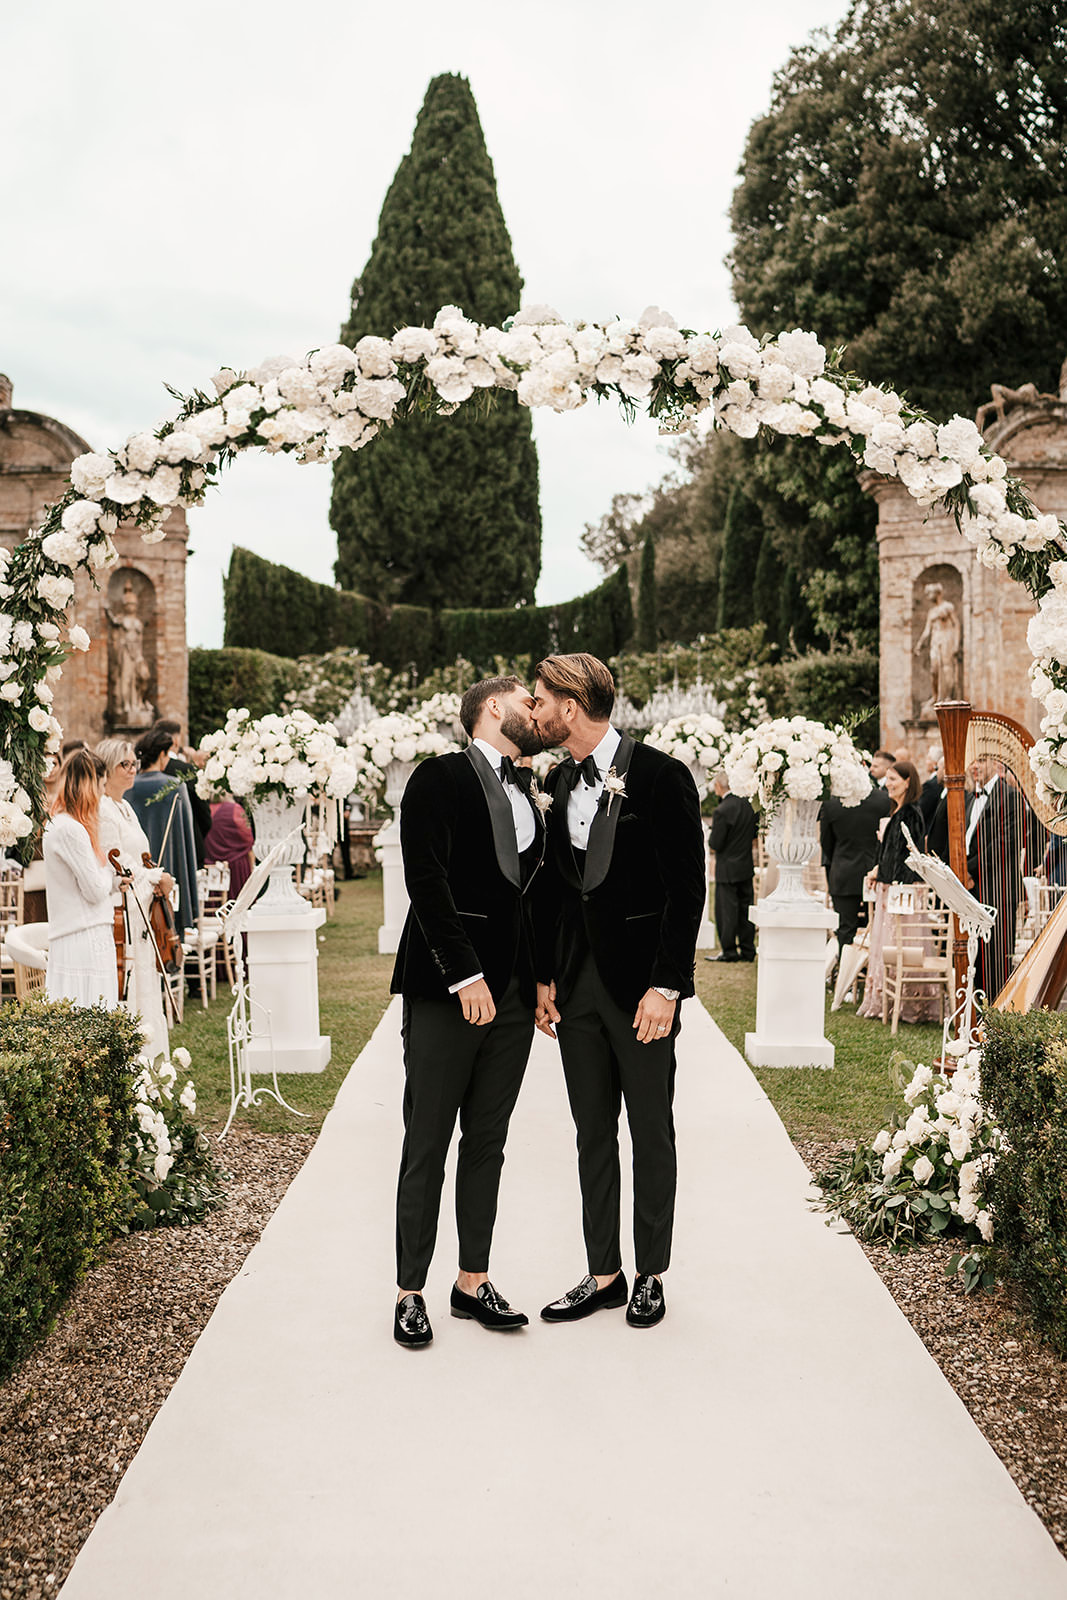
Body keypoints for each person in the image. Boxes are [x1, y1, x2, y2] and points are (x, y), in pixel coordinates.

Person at [532, 653, 705, 1330]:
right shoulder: (555, 778)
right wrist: (544, 977)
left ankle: (649, 1274)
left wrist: (667, 984)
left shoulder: (661, 777)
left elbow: (685, 890)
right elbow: (552, 888)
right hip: (575, 992)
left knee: (650, 1133)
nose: (535, 711)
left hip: (641, 993)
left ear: (570, 707)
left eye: (542, 700)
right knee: (590, 1134)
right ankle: (602, 1272)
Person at [390, 675, 547, 1349]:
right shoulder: (437, 778)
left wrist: (540, 979)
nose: (535, 711)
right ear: (491, 708)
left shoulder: (529, 791)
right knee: (426, 1141)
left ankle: (472, 1281)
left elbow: (531, 896)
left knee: (487, 1143)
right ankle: (408, 1292)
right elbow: (425, 881)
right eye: (526, 700)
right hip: (446, 989)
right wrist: (465, 975)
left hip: (512, 998)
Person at [97, 737, 175, 1062]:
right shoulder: (102, 810)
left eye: (134, 765)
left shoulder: (125, 807)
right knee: (134, 987)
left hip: (144, 908)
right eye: (124, 765)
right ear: (106, 768)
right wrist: (157, 878)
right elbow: (117, 867)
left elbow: (140, 859)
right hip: (125, 912)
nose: (132, 771)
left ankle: (153, 1066)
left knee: (147, 984)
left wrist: (156, 877)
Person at [857, 760, 939, 1022]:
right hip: (887, 888)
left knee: (901, 943)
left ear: (907, 782)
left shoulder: (911, 814)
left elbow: (911, 857)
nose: (888, 784)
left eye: (893, 779)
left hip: (901, 893)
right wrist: (877, 872)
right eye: (888, 779)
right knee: (886, 944)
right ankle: (883, 998)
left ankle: (908, 1003)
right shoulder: (897, 811)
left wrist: (891, 883)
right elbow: (891, 854)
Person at [44, 749, 126, 1007]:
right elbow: (93, 890)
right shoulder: (70, 829)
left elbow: (84, 883)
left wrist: (113, 882)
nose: (103, 794)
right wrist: (111, 872)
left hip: (82, 933)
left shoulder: (62, 824)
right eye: (102, 786)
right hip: (82, 937)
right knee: (90, 1013)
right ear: (90, 786)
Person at [129, 727, 199, 933]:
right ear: (162, 754)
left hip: (134, 867)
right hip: (168, 866)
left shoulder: (128, 785)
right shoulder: (174, 785)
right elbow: (185, 837)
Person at [967, 754, 1025, 1000]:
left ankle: (997, 1006)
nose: (974, 767)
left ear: (996, 764)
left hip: (997, 886)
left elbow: (1005, 842)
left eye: (980, 760)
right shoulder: (971, 797)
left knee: (997, 955)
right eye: (972, 761)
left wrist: (969, 869)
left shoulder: (1009, 796)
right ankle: (977, 1005)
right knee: (976, 953)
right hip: (972, 887)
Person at [820, 779, 892, 954]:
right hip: (875, 871)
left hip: (843, 871)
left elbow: (826, 843)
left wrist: (839, 858)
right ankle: (869, 971)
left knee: (845, 928)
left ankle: (845, 974)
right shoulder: (884, 800)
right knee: (876, 925)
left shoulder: (831, 803)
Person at [705, 772, 757, 962]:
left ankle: (729, 951)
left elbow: (715, 843)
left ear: (719, 786)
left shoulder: (722, 810)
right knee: (745, 910)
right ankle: (748, 950)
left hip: (727, 868)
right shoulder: (749, 805)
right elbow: (754, 834)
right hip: (745, 865)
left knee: (726, 912)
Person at [154, 719, 213, 867]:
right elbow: (204, 813)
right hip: (189, 844)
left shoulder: (147, 771)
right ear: (175, 741)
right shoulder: (187, 770)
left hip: (156, 846)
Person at [203, 796, 255, 902]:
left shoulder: (205, 810)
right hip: (237, 868)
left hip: (211, 868)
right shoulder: (235, 809)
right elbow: (248, 838)